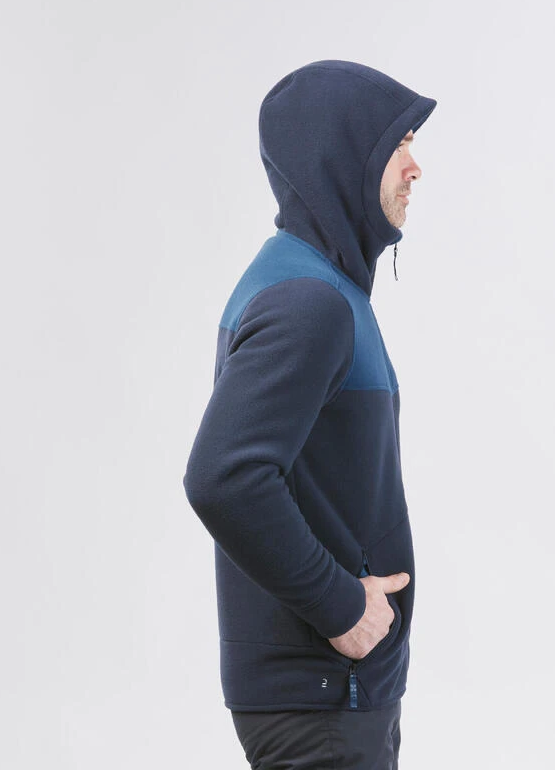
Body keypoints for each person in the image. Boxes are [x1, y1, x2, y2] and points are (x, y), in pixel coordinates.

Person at [182, 59, 437, 769]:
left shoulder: (314, 285)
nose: (416, 167)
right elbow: (223, 479)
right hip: (322, 699)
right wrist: (342, 607)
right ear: (344, 157)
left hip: (334, 694)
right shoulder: (309, 302)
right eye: (399, 144)